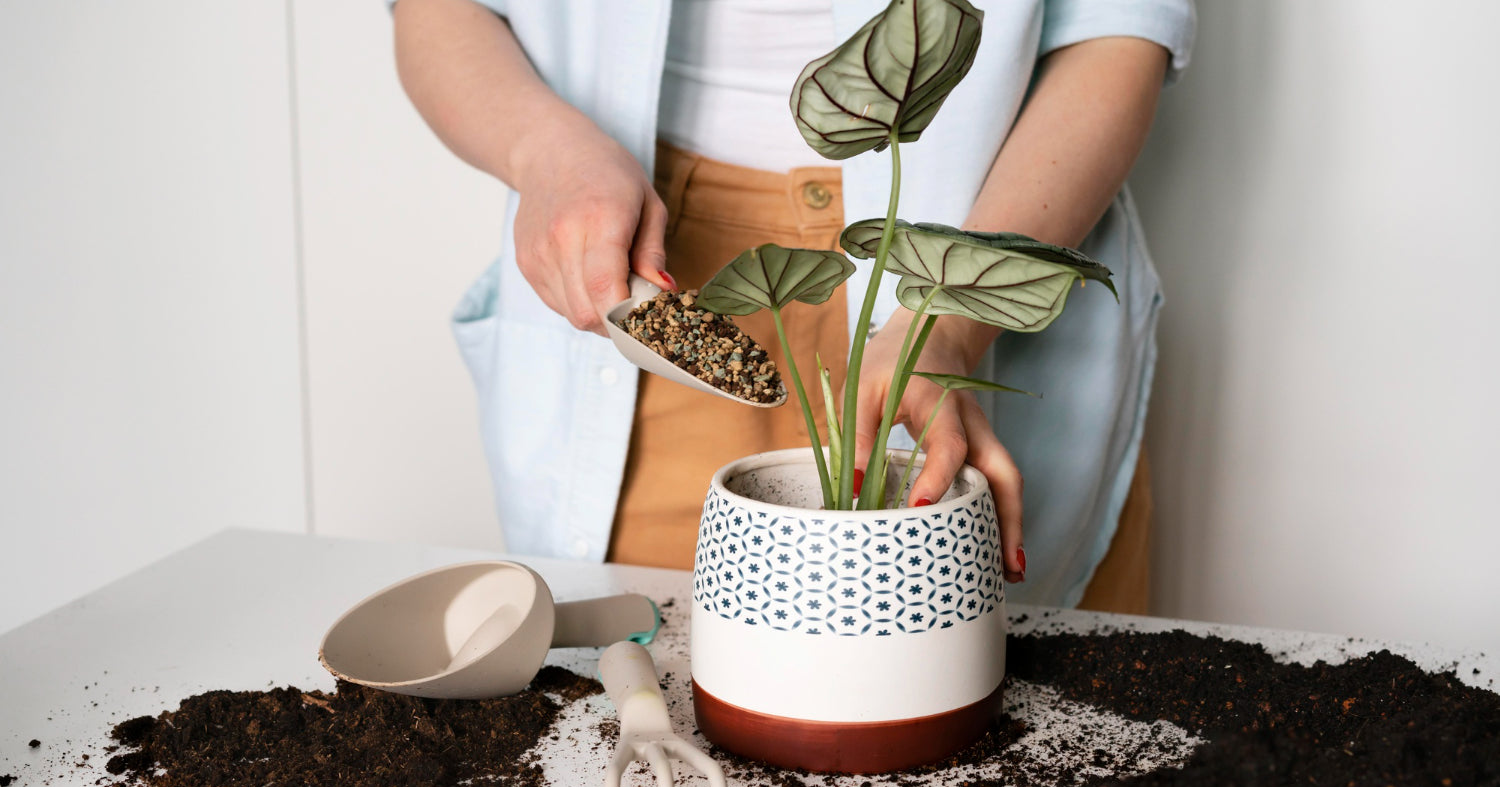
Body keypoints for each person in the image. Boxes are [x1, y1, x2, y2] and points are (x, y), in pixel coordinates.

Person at [391, 0, 1195, 612]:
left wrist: (948, 325)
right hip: (655, 265)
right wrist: (547, 155)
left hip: (987, 236)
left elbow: (1120, 27)